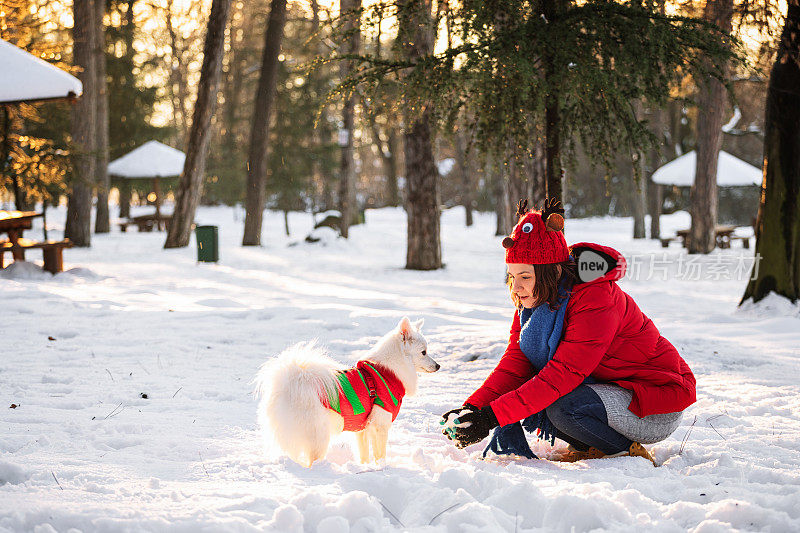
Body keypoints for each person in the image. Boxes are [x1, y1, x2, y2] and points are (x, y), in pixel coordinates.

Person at [441, 198, 695, 464]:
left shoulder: (595, 297)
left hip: (654, 403)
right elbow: (516, 364)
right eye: (512, 276)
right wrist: (472, 409)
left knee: (563, 405)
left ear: (551, 271)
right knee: (552, 401)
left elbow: (563, 374)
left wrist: (491, 417)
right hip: (611, 393)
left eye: (525, 276)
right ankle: (592, 447)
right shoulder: (536, 301)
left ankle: (625, 452)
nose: (516, 287)